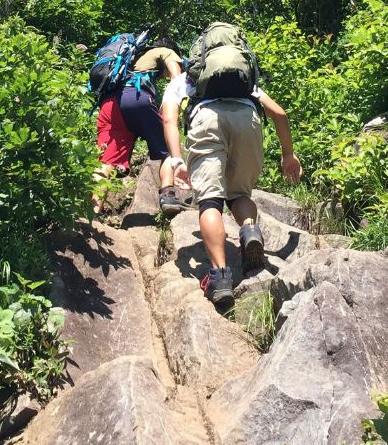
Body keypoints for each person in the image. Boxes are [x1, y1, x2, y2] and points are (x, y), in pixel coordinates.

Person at [160, 26, 302, 307]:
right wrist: (288, 155)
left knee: (210, 201)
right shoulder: (244, 80)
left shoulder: (192, 76)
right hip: (247, 119)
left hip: (207, 119)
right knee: (239, 195)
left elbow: (168, 118)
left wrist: (177, 160)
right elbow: (279, 113)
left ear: (201, 51)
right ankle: (250, 231)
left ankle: (220, 277)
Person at [93, 38, 192, 216]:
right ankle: (168, 196)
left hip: (109, 103)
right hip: (136, 96)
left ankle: (91, 212)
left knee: (107, 161)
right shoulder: (165, 51)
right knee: (168, 148)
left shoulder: (131, 58)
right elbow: (177, 82)